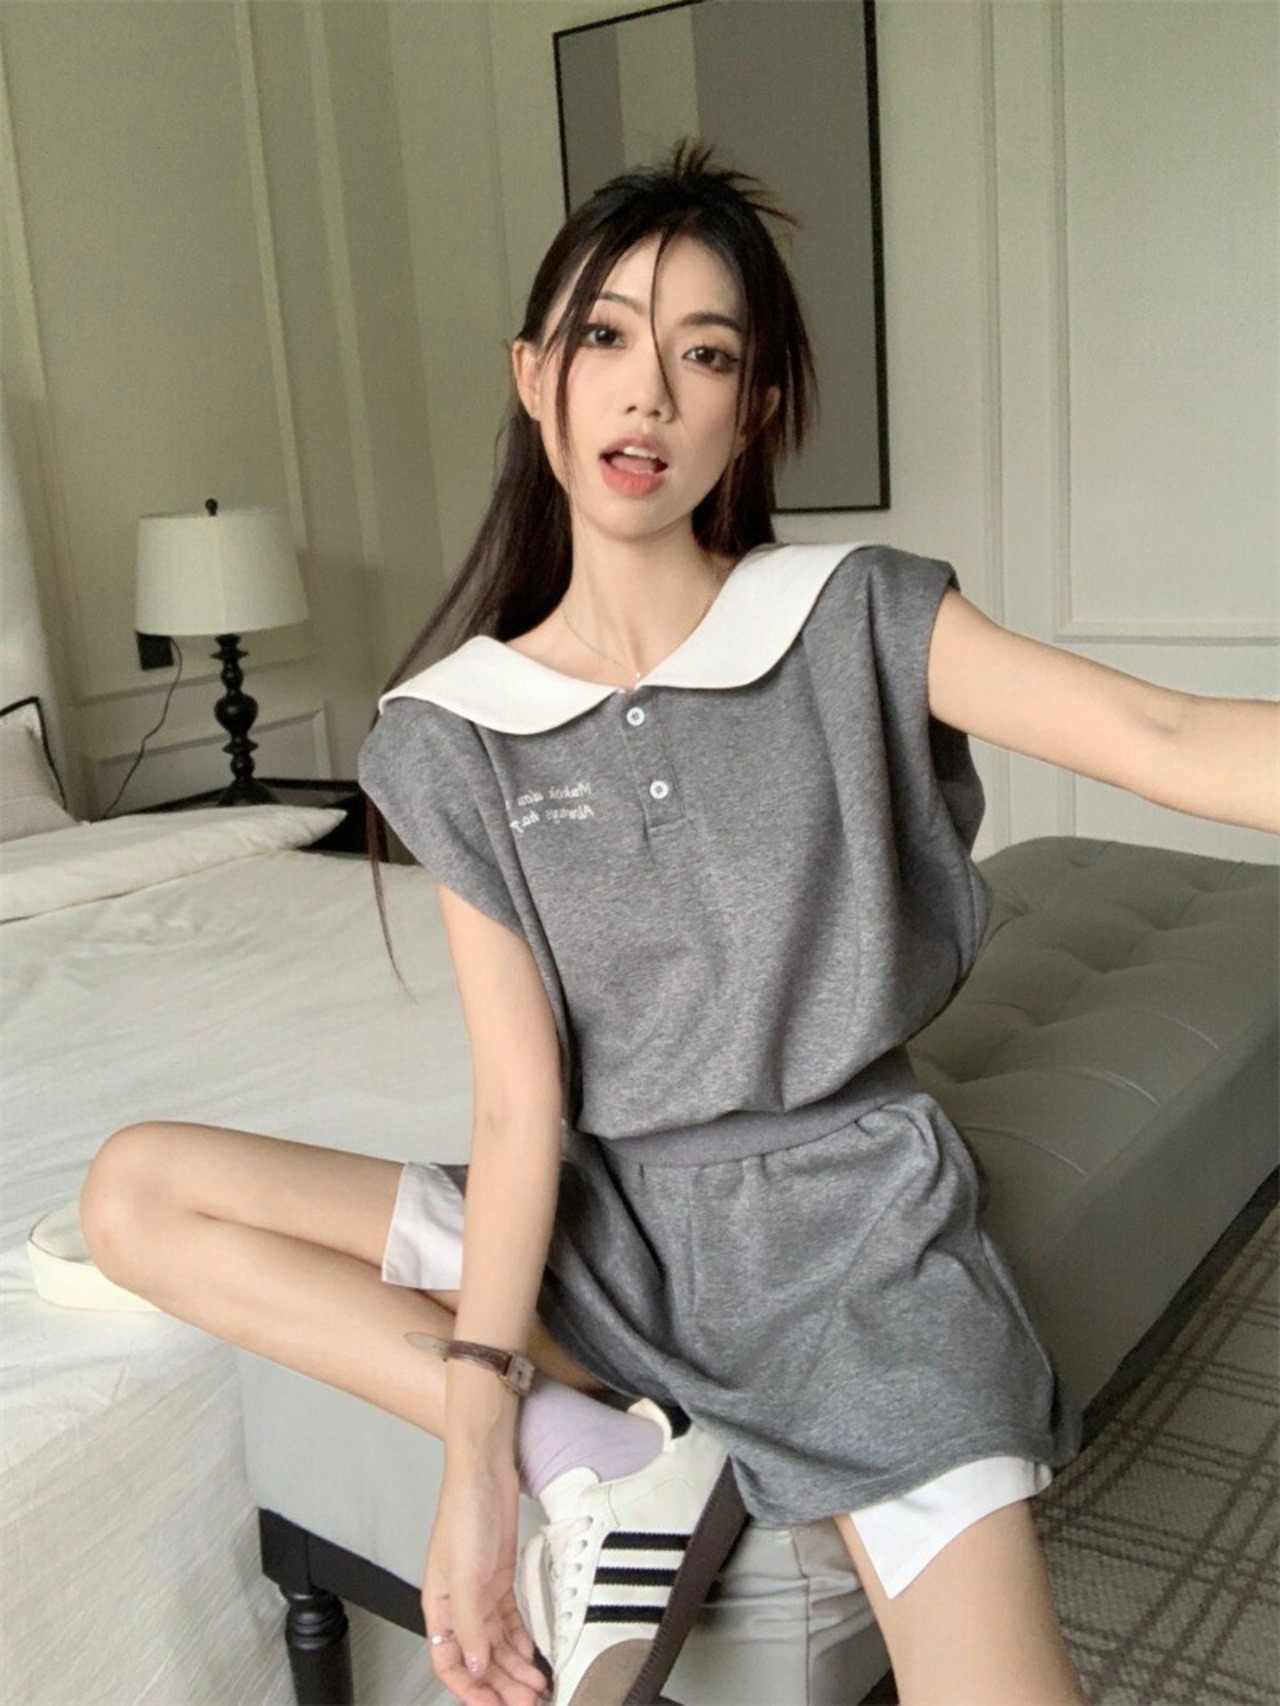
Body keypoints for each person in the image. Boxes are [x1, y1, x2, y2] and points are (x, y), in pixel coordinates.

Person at [81, 140, 1278, 1706]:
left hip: (851, 1241)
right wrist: (481, 1451)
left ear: (752, 406)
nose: (647, 391)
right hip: (604, 1236)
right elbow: (520, 1106)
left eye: (703, 354)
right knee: (136, 1191)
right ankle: (592, 1450)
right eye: (605, 337)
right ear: (537, 377)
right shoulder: (456, 727)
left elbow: (1167, 735)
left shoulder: (852, 615)